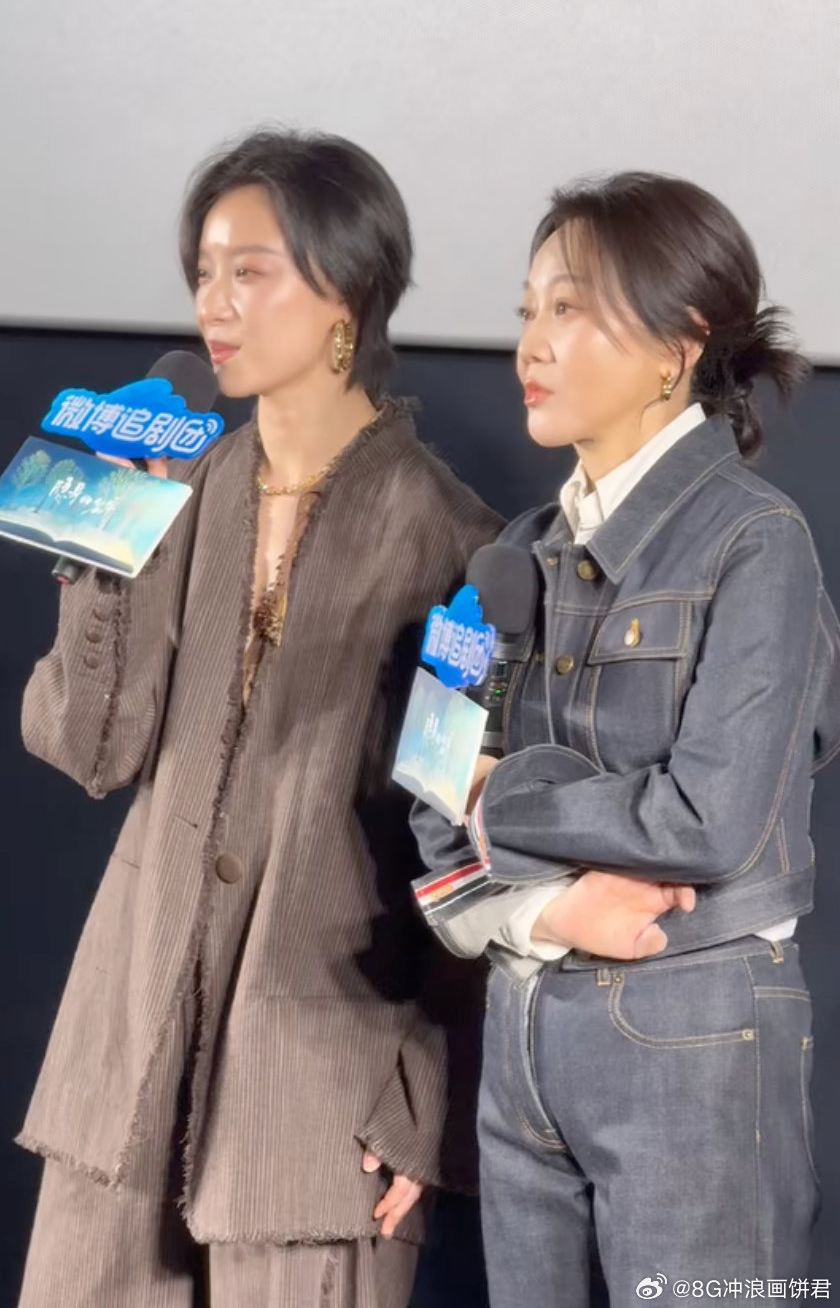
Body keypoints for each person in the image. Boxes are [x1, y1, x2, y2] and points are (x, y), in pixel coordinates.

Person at [16, 129, 502, 1308]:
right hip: (126, 1064)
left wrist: (425, 1105)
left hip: (321, 1100)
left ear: (346, 290)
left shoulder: (462, 544)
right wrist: (105, 547)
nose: (212, 303)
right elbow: (92, 748)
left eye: (250, 270)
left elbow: (475, 853)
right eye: (203, 271)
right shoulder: (176, 489)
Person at [411, 171, 840, 1304]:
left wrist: (503, 799)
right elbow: (426, 792)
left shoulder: (758, 543)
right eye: (527, 311)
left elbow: (707, 820)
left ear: (675, 348)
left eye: (570, 308)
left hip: (691, 1030)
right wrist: (549, 912)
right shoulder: (513, 550)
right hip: (519, 1025)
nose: (531, 344)